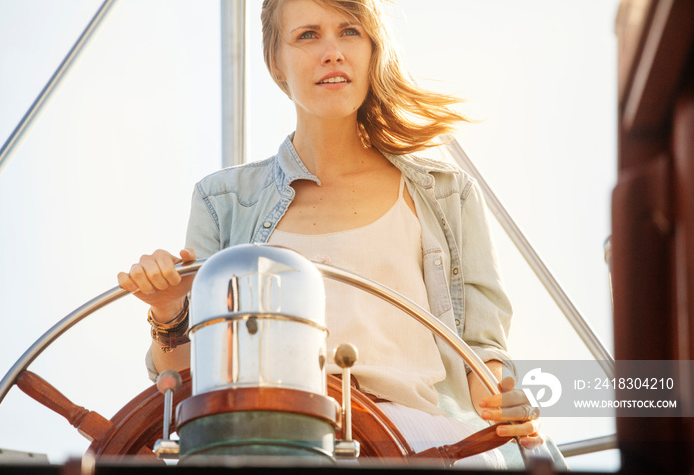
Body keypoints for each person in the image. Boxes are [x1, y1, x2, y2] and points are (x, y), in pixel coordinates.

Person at [118, 0, 544, 468]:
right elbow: (190, 382)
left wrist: (503, 398)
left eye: (349, 32)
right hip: (269, 437)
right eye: (307, 35)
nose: (332, 52)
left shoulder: (448, 194)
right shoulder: (221, 201)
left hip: (412, 434)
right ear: (275, 62)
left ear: (372, 51)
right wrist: (168, 310)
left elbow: (481, 354)